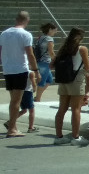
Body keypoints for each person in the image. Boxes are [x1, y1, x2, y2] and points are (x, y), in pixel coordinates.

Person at [0, 10, 40, 138]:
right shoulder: (26, 34)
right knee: (16, 101)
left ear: (16, 19)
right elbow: (30, 54)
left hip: (8, 69)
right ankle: (12, 129)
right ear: (27, 20)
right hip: (20, 70)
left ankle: (13, 126)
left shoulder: (4, 33)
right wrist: (35, 70)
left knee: (13, 100)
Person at [52, 27, 89, 146]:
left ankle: (59, 136)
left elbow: (51, 65)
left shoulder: (63, 49)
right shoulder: (82, 49)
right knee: (76, 109)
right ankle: (76, 137)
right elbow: (87, 67)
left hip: (63, 80)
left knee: (61, 109)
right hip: (76, 80)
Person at [3, 67, 38, 134]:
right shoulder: (31, 72)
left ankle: (10, 122)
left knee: (24, 110)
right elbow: (33, 83)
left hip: (20, 91)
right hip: (28, 92)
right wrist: (34, 89)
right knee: (31, 110)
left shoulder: (20, 71)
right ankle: (31, 127)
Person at [34, 23, 57, 102]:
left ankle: (37, 96)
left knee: (49, 80)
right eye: (54, 30)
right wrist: (56, 61)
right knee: (42, 81)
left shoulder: (40, 38)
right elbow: (51, 52)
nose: (55, 32)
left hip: (39, 61)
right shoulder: (49, 39)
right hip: (45, 62)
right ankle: (37, 99)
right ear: (50, 29)